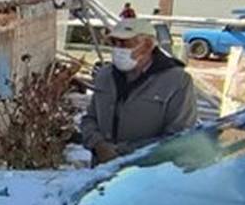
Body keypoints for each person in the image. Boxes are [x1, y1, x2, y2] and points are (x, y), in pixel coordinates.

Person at [80, 18, 197, 165]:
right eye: (114, 43)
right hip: (102, 170)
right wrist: (98, 144)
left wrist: (124, 152)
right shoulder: (105, 75)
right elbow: (90, 118)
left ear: (147, 45)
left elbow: (179, 136)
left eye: (125, 43)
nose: (118, 49)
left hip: (146, 171)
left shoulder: (177, 81)